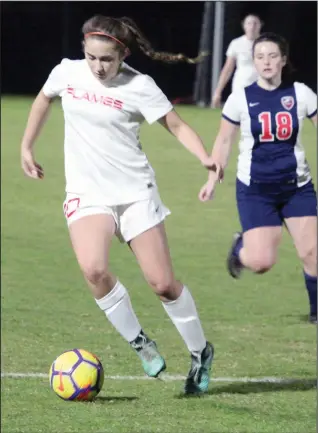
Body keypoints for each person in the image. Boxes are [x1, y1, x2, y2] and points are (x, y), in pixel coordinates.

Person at [20, 15, 215, 394]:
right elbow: (43, 99)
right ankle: (141, 343)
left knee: (162, 284)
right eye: (92, 57)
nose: (98, 66)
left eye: (107, 59)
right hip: (87, 193)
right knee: (94, 269)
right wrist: (26, 145)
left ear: (122, 54)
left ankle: (199, 351)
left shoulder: (140, 86)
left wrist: (205, 157)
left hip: (135, 193)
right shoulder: (67, 73)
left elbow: (176, 125)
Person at [200, 32, 317, 324]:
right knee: (262, 262)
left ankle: (316, 313)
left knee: (313, 252)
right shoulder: (240, 99)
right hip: (256, 191)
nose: (267, 62)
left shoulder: (301, 93)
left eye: (273, 56)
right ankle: (241, 248)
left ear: (284, 60)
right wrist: (213, 178)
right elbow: (224, 141)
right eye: (260, 56)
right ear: (253, 62)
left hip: (296, 188)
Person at [211, 14, 263, 108]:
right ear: (244, 25)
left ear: (260, 25)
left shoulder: (267, 43)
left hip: (262, 87)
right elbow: (227, 69)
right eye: (249, 23)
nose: (252, 27)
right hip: (241, 86)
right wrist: (218, 92)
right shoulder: (236, 43)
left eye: (255, 23)